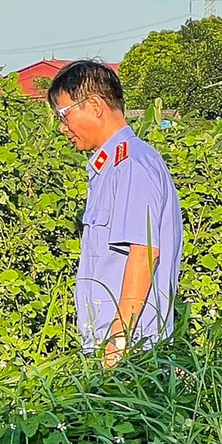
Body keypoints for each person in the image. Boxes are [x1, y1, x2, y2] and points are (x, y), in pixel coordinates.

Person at [47, 60, 182, 367]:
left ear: (94, 105)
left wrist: (119, 339)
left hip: (130, 353)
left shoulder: (131, 166)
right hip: (109, 348)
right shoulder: (111, 167)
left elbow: (144, 252)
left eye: (64, 115)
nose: (62, 127)